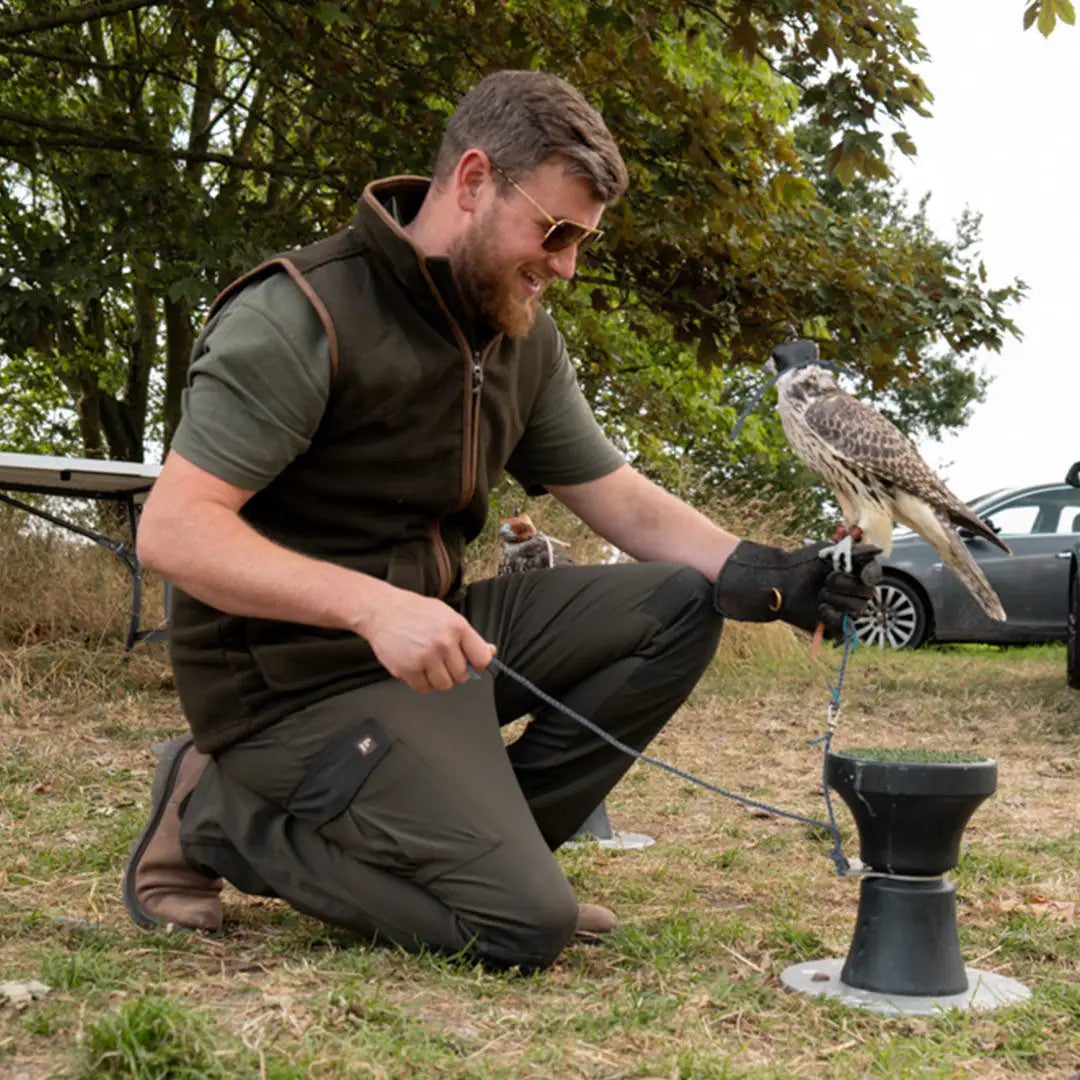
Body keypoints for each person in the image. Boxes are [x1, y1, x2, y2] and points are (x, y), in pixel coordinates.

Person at [123, 70, 879, 972]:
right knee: (522, 930)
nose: (565, 265)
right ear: (474, 181)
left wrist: (758, 571)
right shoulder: (303, 314)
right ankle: (219, 811)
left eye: (580, 243)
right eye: (555, 233)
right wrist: (371, 608)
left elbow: (614, 492)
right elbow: (174, 531)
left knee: (682, 603)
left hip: (435, 643)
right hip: (289, 681)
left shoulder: (518, 334)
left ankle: (493, 859)